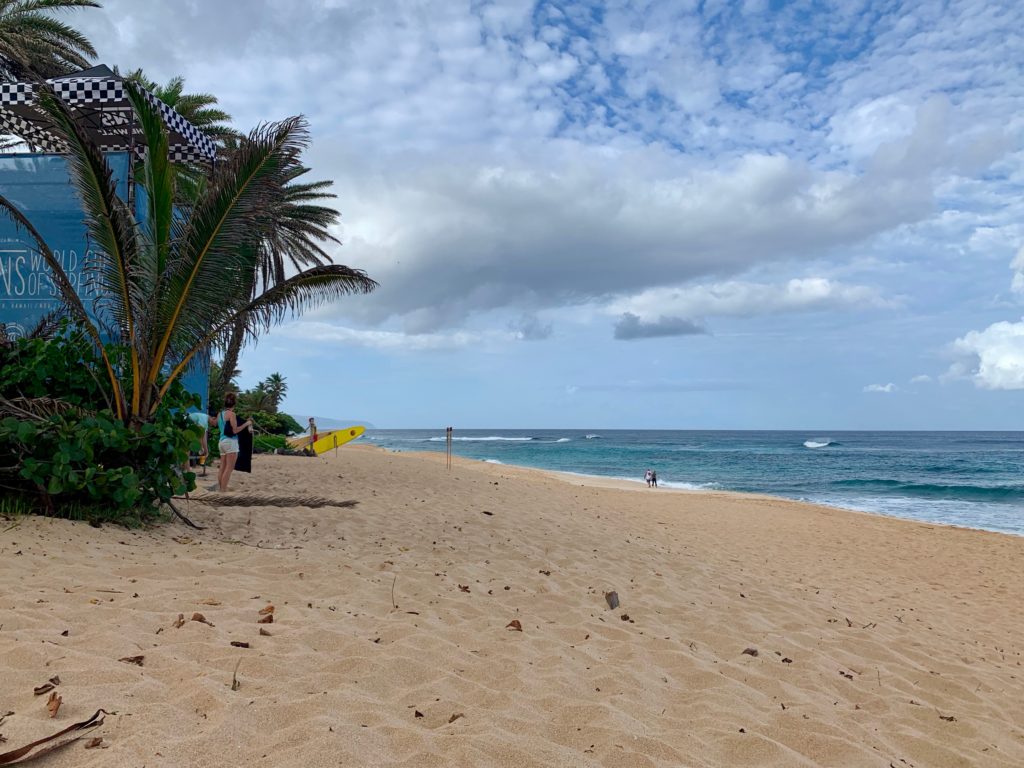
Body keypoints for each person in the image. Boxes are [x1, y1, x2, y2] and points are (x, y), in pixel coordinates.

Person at [217, 393, 253, 492]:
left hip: (221, 442)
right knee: (229, 468)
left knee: (222, 467)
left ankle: (221, 488)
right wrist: (246, 423)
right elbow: (235, 430)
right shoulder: (232, 414)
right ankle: (223, 490)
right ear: (234, 404)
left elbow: (220, 426)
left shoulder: (219, 414)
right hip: (230, 442)